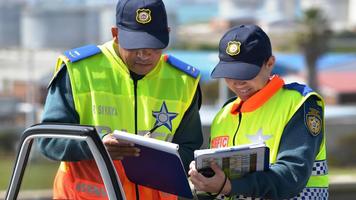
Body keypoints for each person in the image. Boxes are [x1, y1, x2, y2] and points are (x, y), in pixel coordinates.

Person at [38, 0, 203, 199]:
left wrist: (159, 158)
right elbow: (48, 141)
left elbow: (189, 148)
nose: (144, 55)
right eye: (135, 46)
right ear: (115, 34)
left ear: (167, 33)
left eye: (153, 47)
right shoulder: (79, 70)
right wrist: (95, 147)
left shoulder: (183, 80)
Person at [188, 24, 328, 199]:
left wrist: (229, 186)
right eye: (229, 74)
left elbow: (293, 174)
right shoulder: (223, 115)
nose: (237, 82)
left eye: (246, 73)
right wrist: (203, 180)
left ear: (270, 63)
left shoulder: (300, 103)